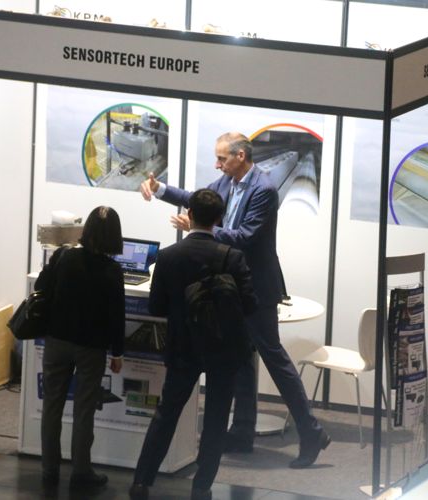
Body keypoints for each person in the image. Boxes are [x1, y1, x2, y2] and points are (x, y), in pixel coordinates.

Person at [139, 132, 330, 468]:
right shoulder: (227, 182)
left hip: (256, 288)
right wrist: (161, 190)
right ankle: (242, 432)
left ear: (240, 156)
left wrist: (201, 229)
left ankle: (311, 432)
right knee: (241, 358)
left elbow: (245, 236)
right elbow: (198, 199)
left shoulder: (264, 189)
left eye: (222, 158)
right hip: (233, 286)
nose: (217, 164)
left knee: (274, 359)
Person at [129, 189, 258, 500]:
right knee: (216, 418)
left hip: (182, 346)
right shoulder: (232, 257)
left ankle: (142, 482)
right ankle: (202, 486)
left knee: (167, 413)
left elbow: (157, 307)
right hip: (222, 349)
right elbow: (250, 305)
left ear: (189, 214)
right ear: (219, 219)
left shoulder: (168, 256)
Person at [37, 206, 125, 489]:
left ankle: (49, 470)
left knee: (52, 406)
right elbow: (117, 317)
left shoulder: (64, 257)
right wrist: (117, 352)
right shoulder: (113, 271)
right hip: (91, 348)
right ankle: (81, 472)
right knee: (84, 410)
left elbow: (41, 286)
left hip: (57, 341)